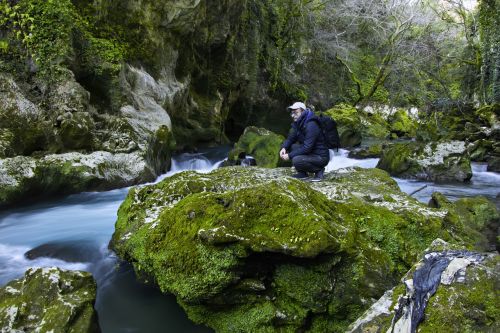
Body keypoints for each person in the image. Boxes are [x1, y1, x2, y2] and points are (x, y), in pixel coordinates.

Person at [279, 102, 330, 182]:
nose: (293, 115)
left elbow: (307, 147)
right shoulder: (299, 123)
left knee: (296, 160)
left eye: (296, 113)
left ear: (303, 112)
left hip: (320, 157)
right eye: (292, 113)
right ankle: (302, 174)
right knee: (291, 147)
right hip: (312, 153)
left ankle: (319, 170)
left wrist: (289, 155)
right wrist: (284, 148)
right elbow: (290, 138)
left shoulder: (311, 124)